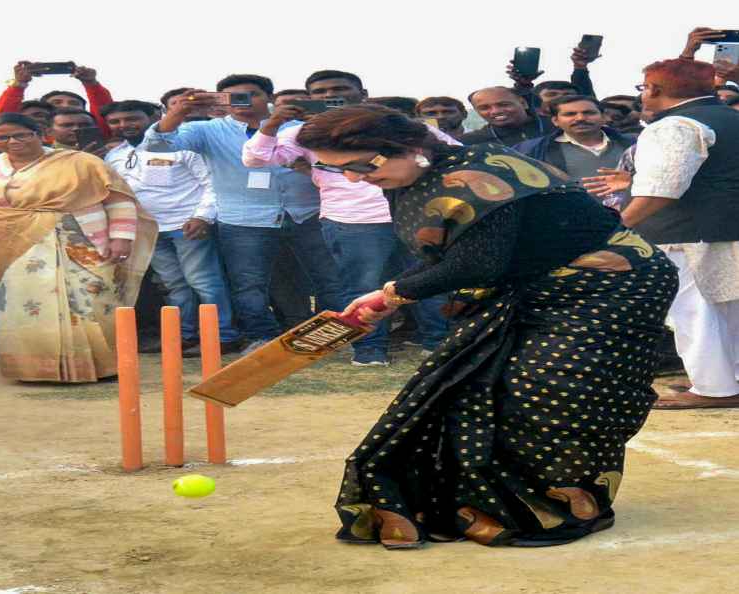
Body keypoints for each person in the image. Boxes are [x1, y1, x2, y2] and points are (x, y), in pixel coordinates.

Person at [296, 104, 677, 549]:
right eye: (335, 169)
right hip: (528, 285)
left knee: (554, 392)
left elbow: (478, 263)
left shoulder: (470, 177)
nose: (354, 179)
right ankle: (476, 505)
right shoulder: (413, 176)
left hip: (611, 284)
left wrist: (392, 294)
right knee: (475, 387)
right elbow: (453, 252)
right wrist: (395, 291)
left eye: (362, 166)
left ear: (408, 147)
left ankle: (556, 507)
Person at [242, 71, 456, 365]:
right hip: (351, 221)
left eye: (340, 88)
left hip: (414, 215)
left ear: (362, 93)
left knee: (428, 282)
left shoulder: (398, 127)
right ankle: (369, 351)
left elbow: (452, 152)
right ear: (310, 98)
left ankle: (437, 344)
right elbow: (254, 158)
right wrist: (275, 122)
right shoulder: (303, 132)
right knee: (363, 288)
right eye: (321, 92)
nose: (330, 95)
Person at [0, 113, 157, 382]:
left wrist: (121, 237)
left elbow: (120, 201)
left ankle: (102, 365)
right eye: (2, 137)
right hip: (15, 247)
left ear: (41, 133)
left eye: (22, 134)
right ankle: (37, 369)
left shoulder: (81, 162)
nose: (13, 141)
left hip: (86, 242)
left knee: (94, 301)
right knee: (27, 304)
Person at [144, 74, 343, 350]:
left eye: (252, 94)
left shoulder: (299, 127)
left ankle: (334, 336)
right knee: (249, 285)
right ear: (220, 101)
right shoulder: (206, 130)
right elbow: (156, 146)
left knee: (328, 277)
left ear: (270, 98)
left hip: (307, 213)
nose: (243, 102)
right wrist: (179, 111)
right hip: (243, 219)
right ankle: (262, 338)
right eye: (233, 97)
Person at [621, 59, 739, 409]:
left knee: (693, 310)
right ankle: (725, 377)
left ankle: (713, 387)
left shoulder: (674, 125)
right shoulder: (732, 117)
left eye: (644, 87)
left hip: (684, 232)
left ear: (654, 89)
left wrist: (621, 225)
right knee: (728, 308)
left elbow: (663, 188)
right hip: (726, 228)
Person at [102, 100, 243, 356]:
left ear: (154, 116)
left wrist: (202, 217)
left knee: (204, 283)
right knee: (174, 285)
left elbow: (211, 183)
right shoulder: (115, 155)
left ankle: (224, 337)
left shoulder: (181, 147)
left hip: (187, 226)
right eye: (116, 121)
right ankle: (185, 336)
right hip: (149, 230)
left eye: (132, 118)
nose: (124, 125)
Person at [514, 95, 635, 183]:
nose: (580, 118)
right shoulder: (530, 150)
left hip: (633, 214)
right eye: (570, 114)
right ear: (555, 121)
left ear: (603, 117)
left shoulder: (635, 145)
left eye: (589, 113)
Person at [0, 61, 113, 137]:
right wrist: (19, 83)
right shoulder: (23, 142)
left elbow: (104, 111)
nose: (65, 105)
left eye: (73, 103)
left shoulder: (96, 136)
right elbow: (2, 120)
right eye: (56, 102)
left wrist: (91, 83)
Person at [460, 86, 554, 146]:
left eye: (504, 105)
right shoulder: (471, 141)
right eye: (484, 108)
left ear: (523, 103)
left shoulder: (556, 126)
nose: (495, 111)